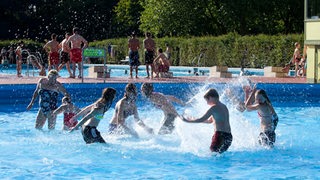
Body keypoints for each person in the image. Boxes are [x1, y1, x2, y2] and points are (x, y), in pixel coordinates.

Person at [181, 88, 233, 154]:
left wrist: (188, 121)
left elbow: (202, 119)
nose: (207, 103)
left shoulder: (213, 108)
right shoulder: (224, 107)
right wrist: (193, 119)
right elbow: (210, 121)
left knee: (213, 155)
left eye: (207, 100)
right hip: (229, 136)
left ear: (211, 98)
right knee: (220, 155)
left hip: (220, 136)